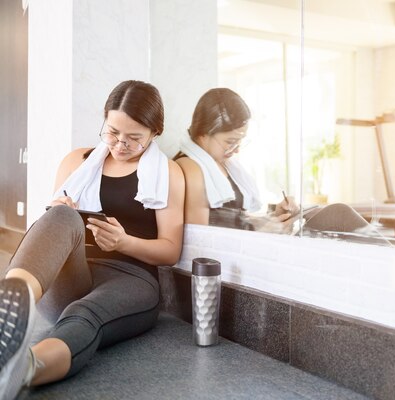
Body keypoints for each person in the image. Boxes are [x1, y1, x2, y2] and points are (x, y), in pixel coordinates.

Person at [0, 80, 185, 399]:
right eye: (112, 132)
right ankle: (12, 303)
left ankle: (25, 369)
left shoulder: (167, 173)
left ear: (154, 133)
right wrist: (56, 211)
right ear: (104, 120)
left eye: (134, 138)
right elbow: (51, 231)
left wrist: (124, 242)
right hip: (74, 272)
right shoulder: (76, 162)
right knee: (60, 215)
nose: (120, 144)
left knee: (85, 314)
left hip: (132, 279)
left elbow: (171, 250)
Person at [174, 88, 370, 234]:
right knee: (338, 215)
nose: (237, 149)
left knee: (335, 215)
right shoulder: (191, 168)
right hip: (237, 261)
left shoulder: (222, 165)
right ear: (203, 134)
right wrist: (261, 234)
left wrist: (273, 217)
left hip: (253, 247)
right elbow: (200, 242)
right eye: (230, 142)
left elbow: (234, 220)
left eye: (241, 141)